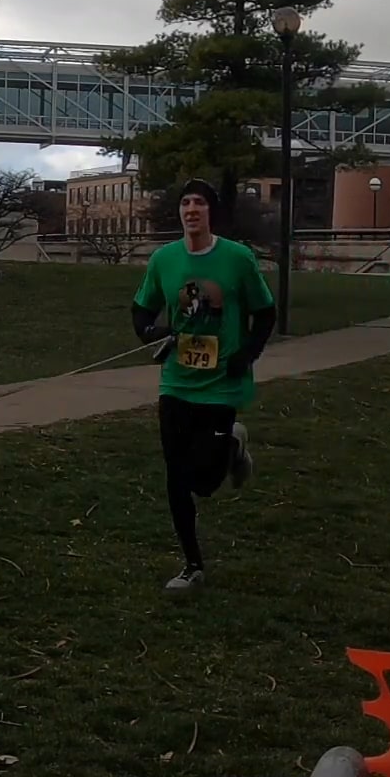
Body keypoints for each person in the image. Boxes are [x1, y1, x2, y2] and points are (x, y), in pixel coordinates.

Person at [129, 178, 277, 594]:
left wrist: (246, 354)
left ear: (211, 213)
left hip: (220, 386)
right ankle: (192, 565)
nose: (191, 210)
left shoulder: (237, 259)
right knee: (176, 477)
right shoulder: (164, 259)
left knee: (205, 483)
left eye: (199, 204)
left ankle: (233, 444)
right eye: (185, 203)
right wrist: (153, 334)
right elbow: (140, 312)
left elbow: (265, 313)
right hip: (177, 384)